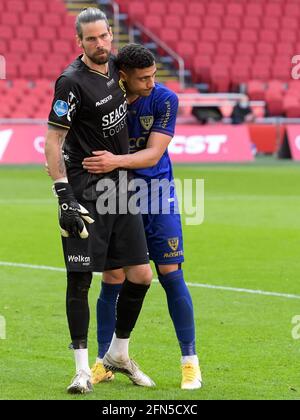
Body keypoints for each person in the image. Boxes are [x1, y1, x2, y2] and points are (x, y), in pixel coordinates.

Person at [45, 9, 155, 394]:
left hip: (120, 190)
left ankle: (118, 355)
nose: (100, 44)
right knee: (79, 279)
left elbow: (146, 80)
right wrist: (63, 195)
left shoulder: (116, 68)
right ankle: (80, 370)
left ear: (112, 35)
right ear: (80, 42)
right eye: (91, 39)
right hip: (85, 192)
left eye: (104, 36)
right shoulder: (70, 83)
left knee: (141, 275)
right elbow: (53, 142)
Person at [83, 44, 202, 390]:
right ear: (123, 77)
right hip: (114, 195)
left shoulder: (165, 100)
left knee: (169, 272)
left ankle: (190, 364)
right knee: (113, 276)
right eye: (143, 78)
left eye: (153, 75)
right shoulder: (106, 99)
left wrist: (115, 161)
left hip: (156, 194)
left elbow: (153, 154)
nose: (151, 82)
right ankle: (104, 361)